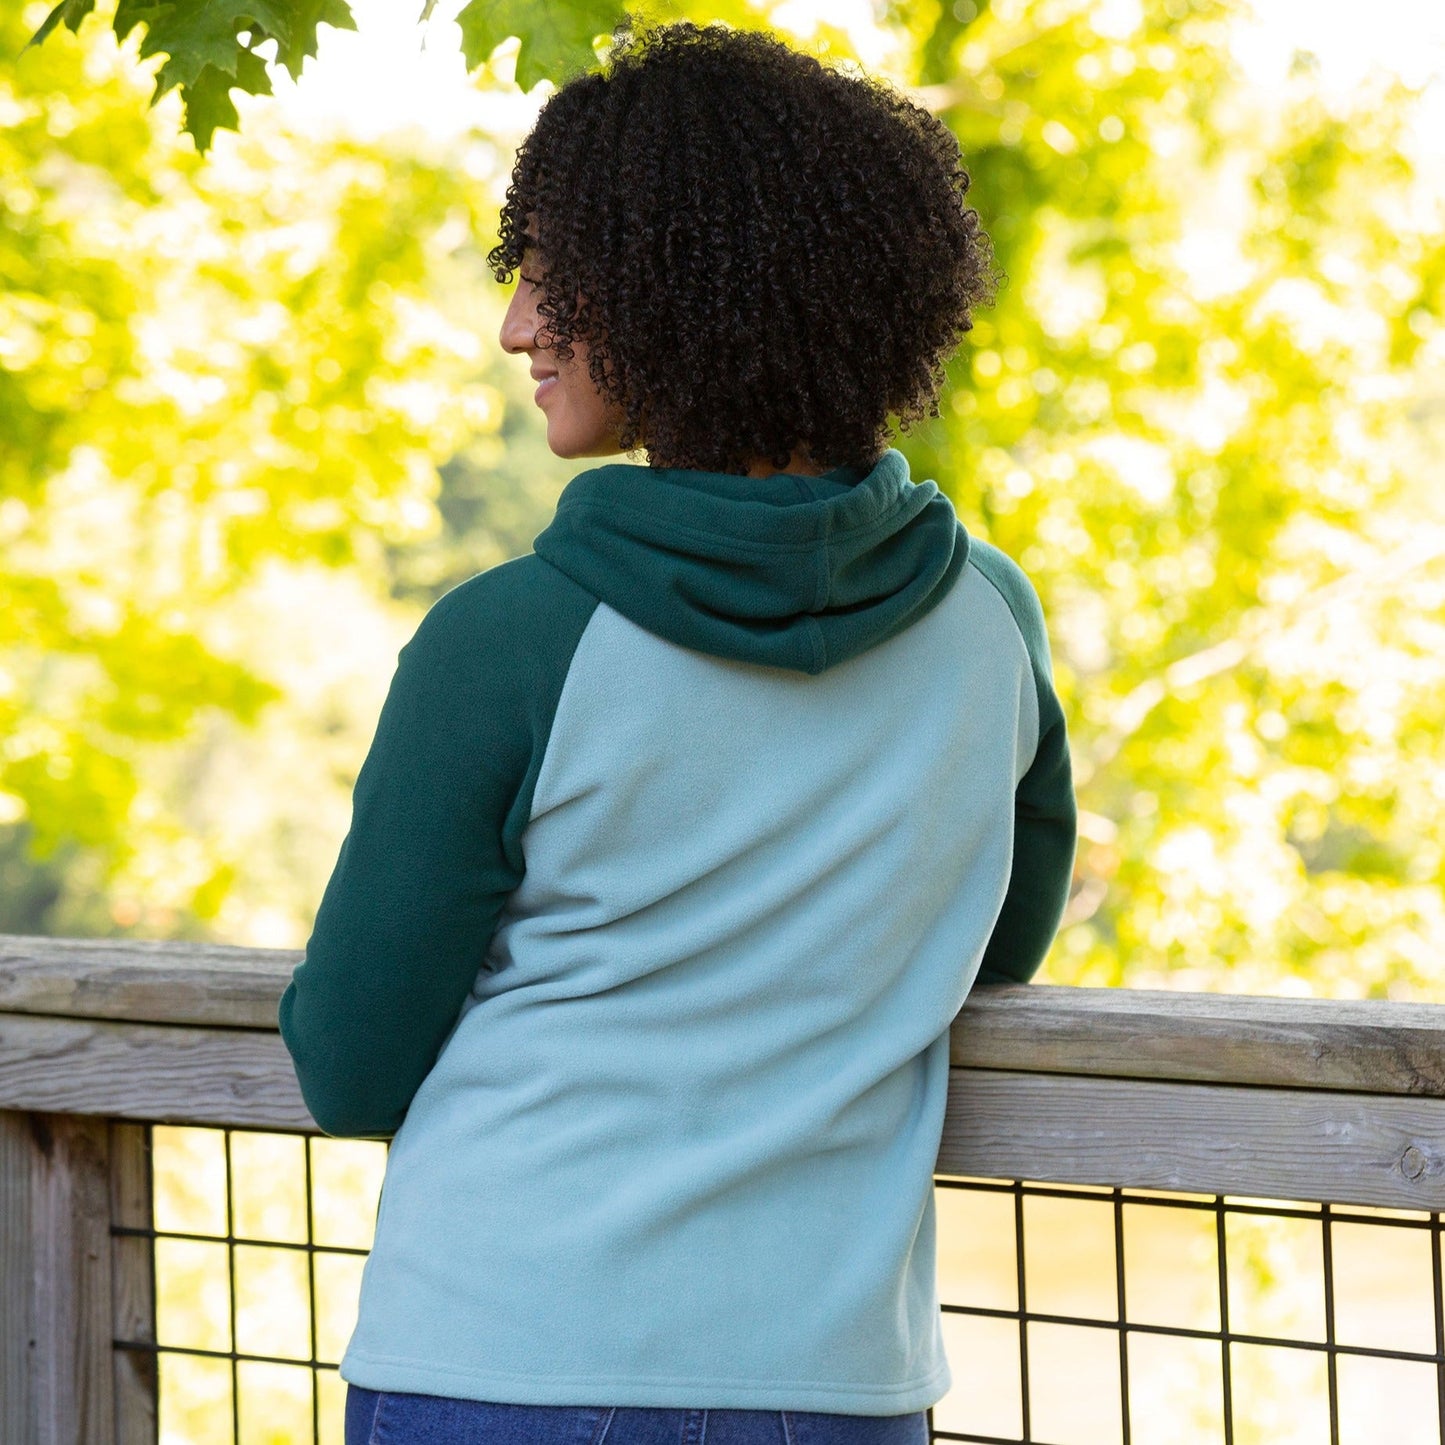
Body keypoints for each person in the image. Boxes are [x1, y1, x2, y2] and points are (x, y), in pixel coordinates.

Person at [278, 18, 1076, 1445]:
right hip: (836, 1387)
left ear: (686, 293)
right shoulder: (987, 622)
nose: (518, 325)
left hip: (499, 1361)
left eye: (553, 277)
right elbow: (990, 943)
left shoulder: (508, 642)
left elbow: (348, 1060)